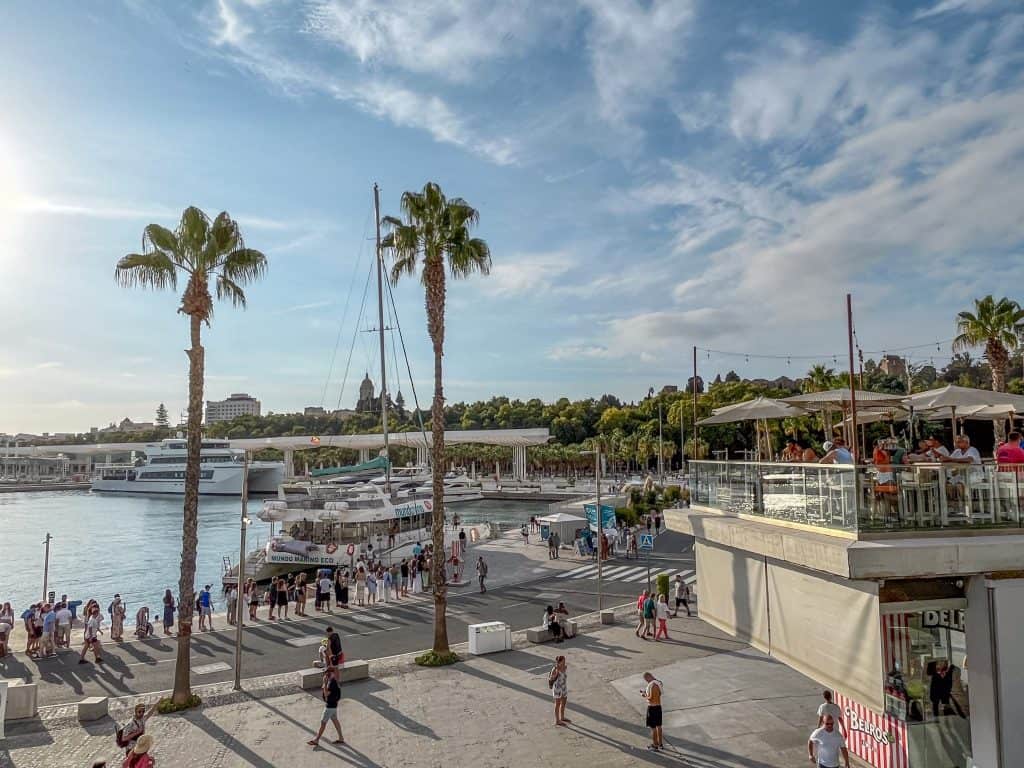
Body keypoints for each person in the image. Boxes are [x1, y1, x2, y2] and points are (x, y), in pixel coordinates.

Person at [308, 666, 345, 748]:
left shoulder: (332, 683)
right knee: (335, 721)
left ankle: (316, 740)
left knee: (323, 723)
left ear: (331, 673)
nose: (325, 674)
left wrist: (324, 683)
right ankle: (341, 738)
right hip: (334, 706)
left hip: (329, 707)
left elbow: (326, 694)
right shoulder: (333, 681)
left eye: (326, 673)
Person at [641, 672, 664, 751]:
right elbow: (659, 694)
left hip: (652, 708)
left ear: (648, 677)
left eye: (646, 679)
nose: (646, 681)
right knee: (659, 726)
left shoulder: (651, 686)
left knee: (653, 728)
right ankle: (660, 744)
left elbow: (650, 698)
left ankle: (655, 745)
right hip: (658, 707)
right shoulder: (658, 683)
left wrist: (644, 695)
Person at [548, 655, 569, 727]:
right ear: (559, 662)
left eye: (564, 661)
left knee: (564, 703)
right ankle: (557, 721)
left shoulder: (565, 667)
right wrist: (556, 673)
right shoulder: (555, 669)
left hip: (564, 688)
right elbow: (550, 680)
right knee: (557, 704)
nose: (564, 662)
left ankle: (562, 717)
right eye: (563, 661)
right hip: (557, 689)